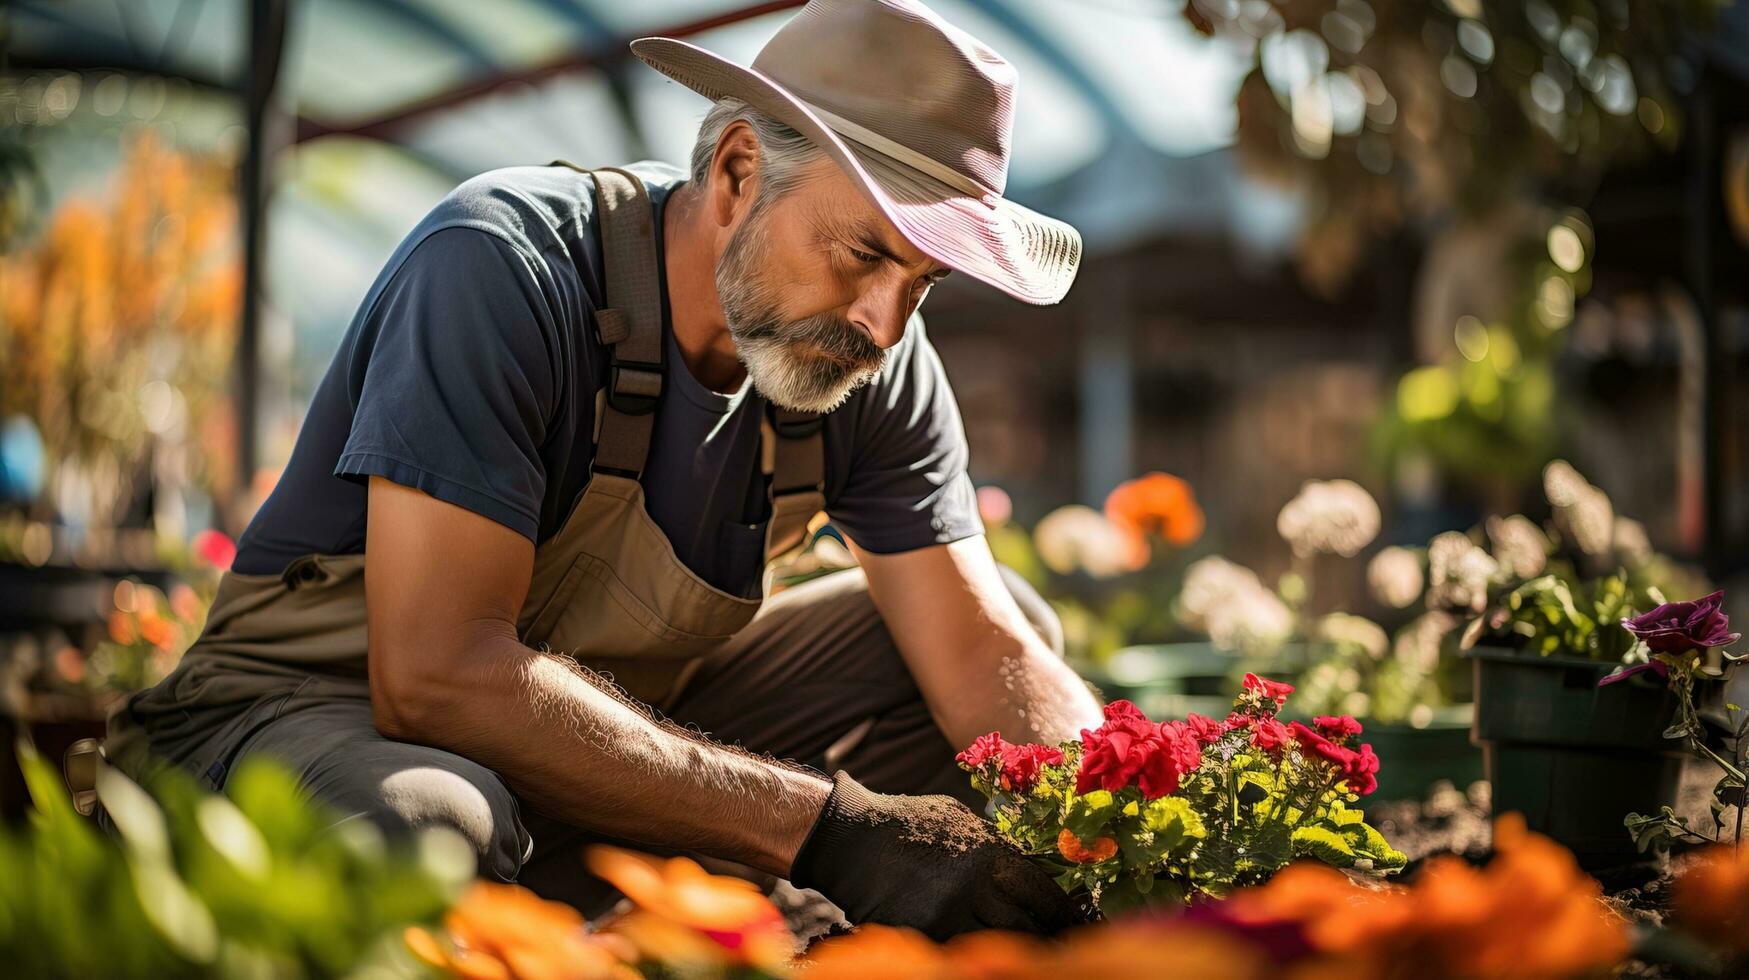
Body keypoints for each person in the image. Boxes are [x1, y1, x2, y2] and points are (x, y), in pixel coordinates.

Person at [104, 0, 1101, 940]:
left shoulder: (864, 366)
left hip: (588, 746)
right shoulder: (503, 268)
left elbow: (981, 658)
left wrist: (1135, 841)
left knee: (1015, 639)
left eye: (921, 285)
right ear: (739, 172)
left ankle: (683, 917)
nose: (883, 324)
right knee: (426, 816)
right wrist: (822, 826)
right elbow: (434, 678)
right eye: (860, 253)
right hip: (314, 715)